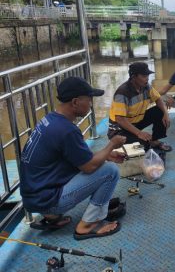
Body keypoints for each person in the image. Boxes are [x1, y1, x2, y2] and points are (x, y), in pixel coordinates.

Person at [20, 77, 127, 240]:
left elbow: (75, 155)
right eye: (89, 100)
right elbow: (89, 167)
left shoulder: (50, 119)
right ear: (75, 102)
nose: (91, 104)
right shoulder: (67, 130)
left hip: (33, 198)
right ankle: (88, 224)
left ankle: (52, 218)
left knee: (104, 163)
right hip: (47, 201)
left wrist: (107, 155)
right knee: (110, 171)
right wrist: (111, 145)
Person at [107, 62, 172, 151]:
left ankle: (155, 140)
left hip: (135, 123)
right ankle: (121, 144)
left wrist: (166, 114)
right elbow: (120, 119)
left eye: (148, 76)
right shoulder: (122, 92)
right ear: (134, 77)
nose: (147, 79)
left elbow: (158, 99)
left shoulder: (146, 87)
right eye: (144, 76)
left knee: (159, 111)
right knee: (143, 146)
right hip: (119, 130)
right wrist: (139, 133)